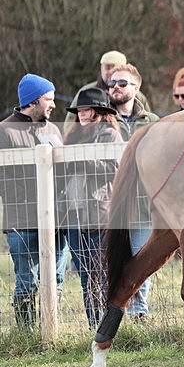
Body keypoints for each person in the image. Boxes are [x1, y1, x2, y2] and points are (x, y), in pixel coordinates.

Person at [0, 74, 69, 329]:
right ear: (33, 100)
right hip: (22, 221)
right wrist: (33, 195)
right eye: (49, 99)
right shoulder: (4, 131)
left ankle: (53, 327)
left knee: (57, 278)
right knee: (26, 281)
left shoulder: (52, 129)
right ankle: (26, 333)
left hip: (56, 219)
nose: (53, 104)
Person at [62, 87, 123, 327]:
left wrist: (82, 156)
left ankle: (107, 326)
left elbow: (114, 170)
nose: (81, 114)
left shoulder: (109, 135)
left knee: (102, 274)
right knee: (86, 276)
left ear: (98, 111)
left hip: (99, 213)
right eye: (79, 110)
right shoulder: (74, 135)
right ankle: (93, 325)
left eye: (86, 110)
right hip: (73, 214)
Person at [107, 64, 159, 319]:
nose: (115, 87)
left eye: (122, 83)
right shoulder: (103, 119)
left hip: (142, 204)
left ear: (136, 87)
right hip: (110, 206)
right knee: (111, 262)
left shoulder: (152, 122)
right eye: (112, 83)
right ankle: (111, 315)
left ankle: (139, 314)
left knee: (141, 260)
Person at [65, 50, 150, 132]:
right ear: (101, 68)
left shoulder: (138, 96)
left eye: (114, 67)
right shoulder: (87, 92)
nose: (110, 72)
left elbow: (147, 118)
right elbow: (70, 123)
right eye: (107, 68)